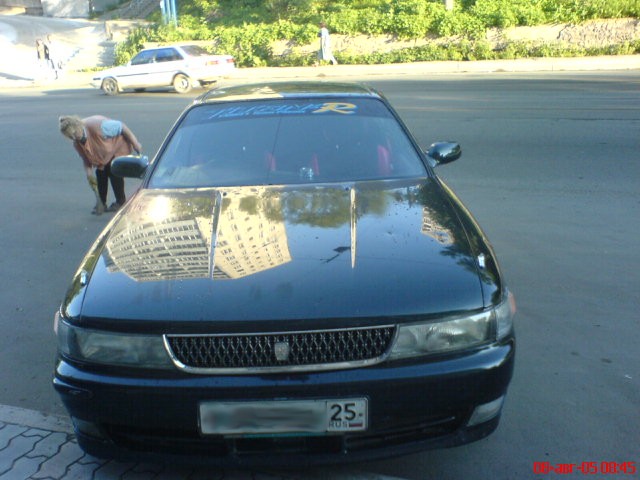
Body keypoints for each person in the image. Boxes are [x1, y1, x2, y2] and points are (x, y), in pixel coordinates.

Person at [59, 115, 142, 215]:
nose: (75, 137)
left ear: (79, 126)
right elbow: (86, 159)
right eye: (71, 136)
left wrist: (135, 143)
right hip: (103, 153)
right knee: (100, 174)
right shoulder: (77, 143)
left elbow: (122, 127)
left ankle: (120, 202)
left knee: (113, 172)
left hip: (117, 147)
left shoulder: (99, 126)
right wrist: (89, 175)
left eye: (75, 133)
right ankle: (101, 203)